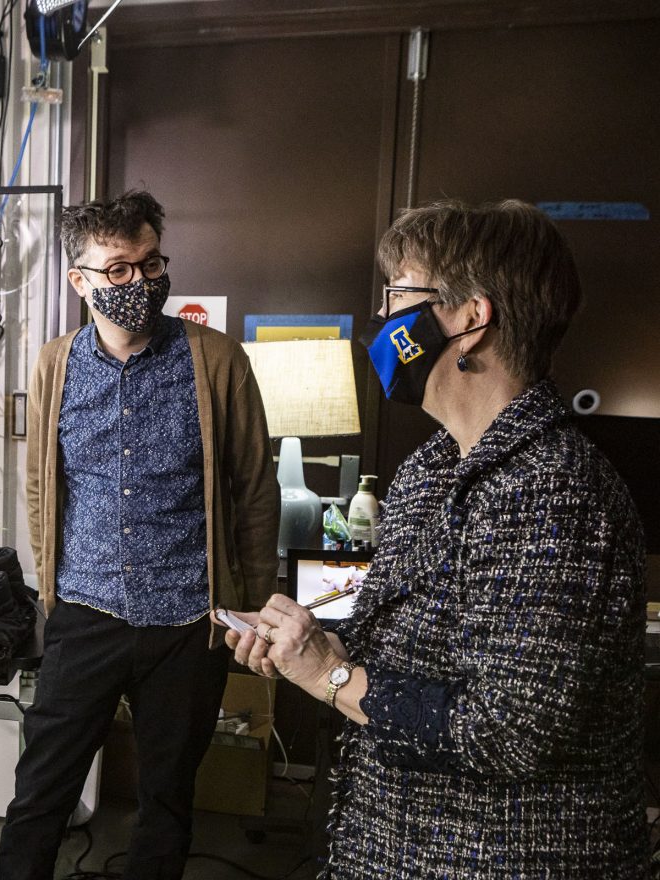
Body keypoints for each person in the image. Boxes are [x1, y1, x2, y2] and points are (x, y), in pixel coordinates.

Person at [223, 199, 650, 878]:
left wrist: (326, 674)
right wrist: (316, 647)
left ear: (471, 319)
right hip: (400, 845)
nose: (384, 319)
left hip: (499, 859)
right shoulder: (433, 467)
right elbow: (394, 663)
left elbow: (505, 731)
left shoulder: (551, 489)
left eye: (399, 296)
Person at [0, 190, 280, 880]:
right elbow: (41, 486)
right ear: (81, 281)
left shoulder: (217, 362)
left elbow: (253, 491)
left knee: (167, 799)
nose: (140, 282)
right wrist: (52, 593)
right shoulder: (54, 364)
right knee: (40, 793)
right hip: (85, 612)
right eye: (119, 270)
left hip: (188, 619)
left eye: (151, 264)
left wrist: (248, 609)